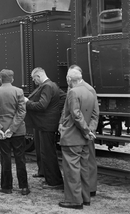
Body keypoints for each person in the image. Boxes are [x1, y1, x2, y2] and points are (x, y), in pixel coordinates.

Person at [58, 68, 98, 209]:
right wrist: (89, 132)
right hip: (84, 139)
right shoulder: (90, 91)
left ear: (69, 79)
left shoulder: (73, 92)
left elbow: (75, 114)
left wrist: (86, 130)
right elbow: (94, 114)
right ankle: (85, 198)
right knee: (84, 169)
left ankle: (74, 201)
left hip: (72, 137)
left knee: (71, 169)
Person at [0, 69, 30, 195]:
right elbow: (22, 112)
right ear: (12, 79)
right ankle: (23, 187)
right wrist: (12, 129)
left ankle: (6, 187)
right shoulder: (19, 91)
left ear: (1, 79)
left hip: (1, 131)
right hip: (18, 131)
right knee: (20, 158)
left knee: (5, 158)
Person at [24, 67, 64, 188]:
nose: (33, 81)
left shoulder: (47, 86)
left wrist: (27, 102)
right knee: (46, 152)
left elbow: (42, 105)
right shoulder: (52, 85)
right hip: (46, 124)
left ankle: (54, 181)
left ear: (39, 76)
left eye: (33, 78)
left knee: (48, 153)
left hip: (46, 124)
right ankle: (48, 177)